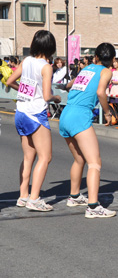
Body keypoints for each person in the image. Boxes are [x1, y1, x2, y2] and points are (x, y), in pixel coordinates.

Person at [58, 43, 117, 218]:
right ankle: (93, 206)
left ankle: (74, 196)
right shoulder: (106, 71)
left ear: (96, 56)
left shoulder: (87, 69)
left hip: (66, 113)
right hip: (80, 115)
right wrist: (107, 112)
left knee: (79, 159)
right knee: (95, 163)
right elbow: (101, 92)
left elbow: (70, 84)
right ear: (112, 59)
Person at [6, 30, 61, 211]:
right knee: (45, 157)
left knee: (28, 157)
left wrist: (23, 89)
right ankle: (34, 198)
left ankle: (23, 195)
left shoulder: (27, 61)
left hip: (20, 111)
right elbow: (46, 95)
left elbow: (9, 81)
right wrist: (56, 98)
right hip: (35, 113)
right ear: (51, 47)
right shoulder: (46, 66)